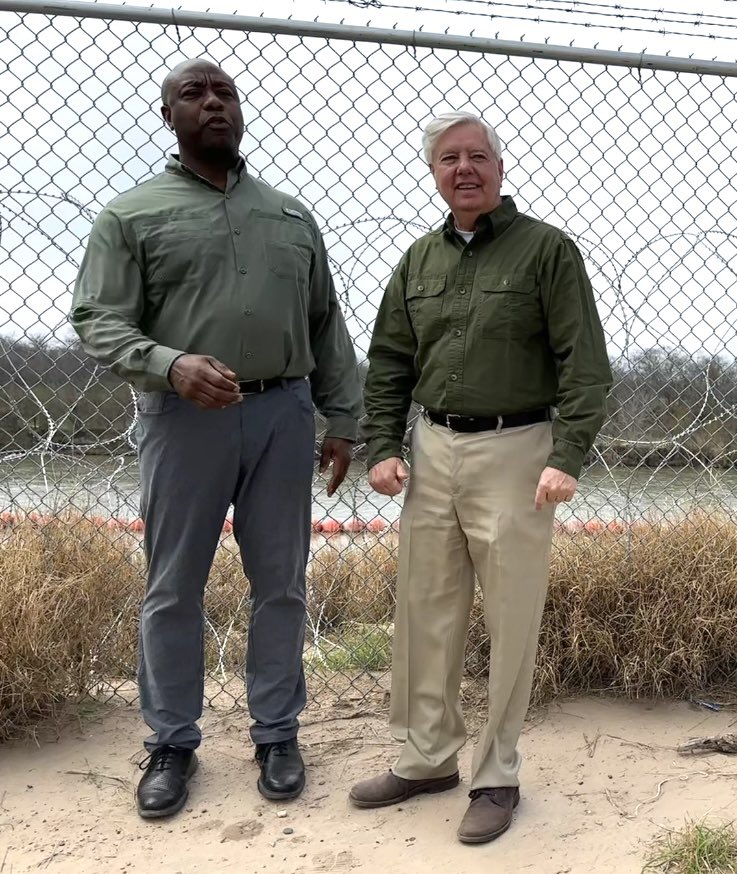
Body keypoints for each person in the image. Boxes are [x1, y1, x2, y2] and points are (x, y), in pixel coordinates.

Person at [70, 59, 362, 820]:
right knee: (172, 588)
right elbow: (98, 319)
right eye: (192, 95)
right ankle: (171, 741)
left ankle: (276, 733)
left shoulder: (293, 217)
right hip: (181, 421)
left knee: (282, 582)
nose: (212, 104)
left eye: (224, 92)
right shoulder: (131, 216)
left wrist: (343, 420)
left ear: (240, 109)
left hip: (284, 417)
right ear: (167, 116)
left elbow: (326, 323)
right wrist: (170, 365)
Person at [349, 111, 611, 844]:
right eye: (447, 159)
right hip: (432, 450)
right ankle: (427, 757)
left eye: (476, 156)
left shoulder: (546, 252)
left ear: (498, 165)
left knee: (510, 617)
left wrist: (568, 455)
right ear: (432, 172)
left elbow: (582, 364)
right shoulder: (416, 262)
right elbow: (390, 361)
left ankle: (496, 776)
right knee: (425, 611)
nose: (463, 168)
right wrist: (381, 445)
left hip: (517, 451)